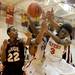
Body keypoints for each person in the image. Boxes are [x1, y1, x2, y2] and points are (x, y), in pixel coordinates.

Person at [43, 9, 75, 75]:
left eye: (65, 33)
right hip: (49, 61)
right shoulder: (56, 32)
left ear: (68, 35)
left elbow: (59, 41)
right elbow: (57, 26)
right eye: (62, 31)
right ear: (60, 30)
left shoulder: (67, 41)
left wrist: (47, 31)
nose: (63, 34)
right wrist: (50, 19)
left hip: (58, 62)